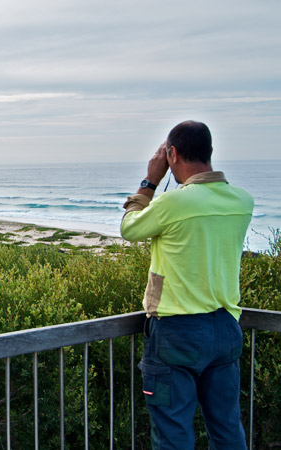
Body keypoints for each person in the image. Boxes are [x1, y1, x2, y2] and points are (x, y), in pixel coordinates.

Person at [120, 121, 254, 449]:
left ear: (173, 154)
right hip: (225, 327)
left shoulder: (173, 203)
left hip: (177, 332)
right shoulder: (242, 201)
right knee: (226, 428)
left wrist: (150, 181)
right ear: (209, 152)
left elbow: (129, 229)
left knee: (173, 433)